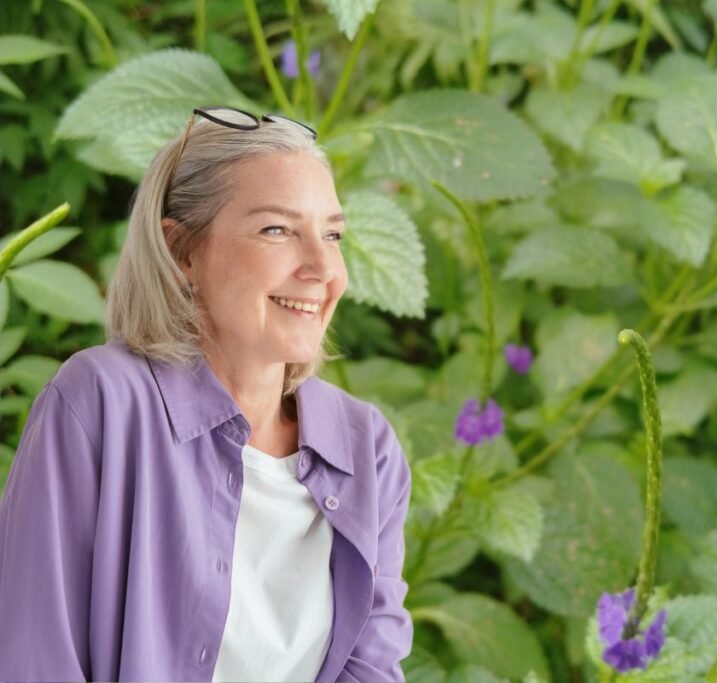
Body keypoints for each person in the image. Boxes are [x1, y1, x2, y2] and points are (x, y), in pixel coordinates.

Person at [0, 107, 413, 682]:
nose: (323, 268)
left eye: (333, 235)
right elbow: (33, 657)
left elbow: (371, 666)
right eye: (277, 229)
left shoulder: (368, 448)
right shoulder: (99, 404)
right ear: (182, 252)